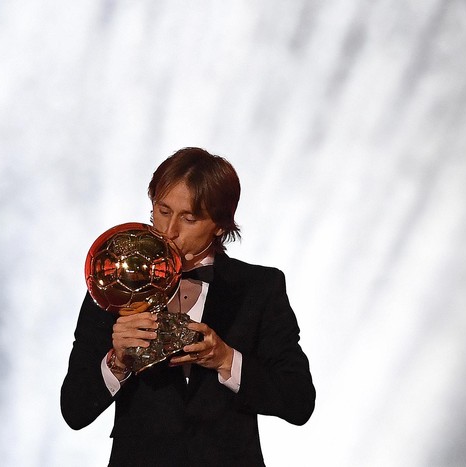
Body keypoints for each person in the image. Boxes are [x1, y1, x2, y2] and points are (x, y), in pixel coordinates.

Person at [61, 147, 315, 466]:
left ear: (220, 225)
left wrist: (225, 359)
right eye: (163, 210)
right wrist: (118, 362)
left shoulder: (260, 288)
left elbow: (298, 401)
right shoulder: (113, 285)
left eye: (189, 218)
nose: (169, 231)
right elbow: (74, 410)